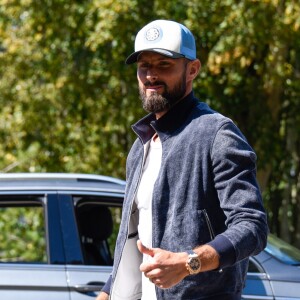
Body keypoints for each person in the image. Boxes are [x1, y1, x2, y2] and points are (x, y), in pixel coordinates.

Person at [96, 19, 268, 300]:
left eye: (164, 64)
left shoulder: (216, 133)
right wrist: (107, 293)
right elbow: (135, 241)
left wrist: (190, 262)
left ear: (192, 69)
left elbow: (252, 227)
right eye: (144, 65)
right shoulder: (140, 148)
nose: (151, 75)